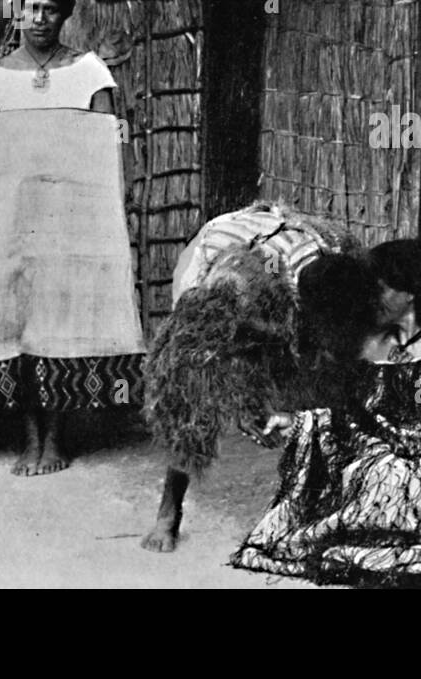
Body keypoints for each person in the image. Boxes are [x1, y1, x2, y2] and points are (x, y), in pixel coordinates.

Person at [231, 240, 421, 588]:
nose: (372, 298)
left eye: (382, 288)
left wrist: (411, 447)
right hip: (382, 455)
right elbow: (351, 417)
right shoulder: (368, 345)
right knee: (370, 471)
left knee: (395, 477)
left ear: (411, 293)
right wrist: (296, 423)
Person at [0, 0, 144, 475]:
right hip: (9, 224)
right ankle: (28, 437)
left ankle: (56, 439)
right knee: (15, 321)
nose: (39, 18)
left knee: (59, 323)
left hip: (69, 223)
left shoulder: (89, 74)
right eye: (30, 7)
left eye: (50, 9)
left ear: (65, 14)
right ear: (17, 11)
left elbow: (107, 152)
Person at [140, 202, 361, 554]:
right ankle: (169, 510)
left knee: (321, 391)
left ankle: (327, 499)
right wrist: (243, 408)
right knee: (189, 399)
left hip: (297, 300)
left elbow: (321, 342)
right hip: (233, 285)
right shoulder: (196, 275)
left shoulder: (309, 267)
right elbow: (208, 354)